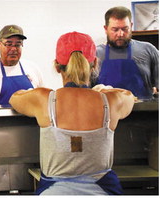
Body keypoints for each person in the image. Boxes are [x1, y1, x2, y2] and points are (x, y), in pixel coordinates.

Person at [9, 31, 135, 195]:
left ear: (56, 65)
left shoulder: (42, 99)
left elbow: (14, 98)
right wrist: (104, 89)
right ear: (95, 63)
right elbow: (129, 96)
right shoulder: (111, 101)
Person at [95, 6, 159, 100]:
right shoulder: (95, 54)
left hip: (144, 112)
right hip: (108, 112)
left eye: (125, 29)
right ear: (105, 29)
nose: (120, 34)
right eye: (115, 29)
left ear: (131, 26)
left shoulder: (148, 50)